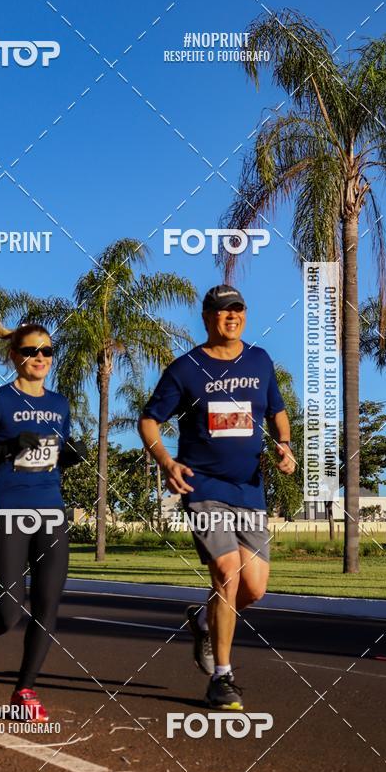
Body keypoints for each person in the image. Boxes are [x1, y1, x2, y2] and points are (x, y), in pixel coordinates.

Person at [138, 285, 295, 710]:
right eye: (223, 311)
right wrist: (168, 464)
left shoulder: (260, 360)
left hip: (249, 489)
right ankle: (222, 679)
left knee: (256, 588)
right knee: (227, 573)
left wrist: (285, 444)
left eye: (238, 309)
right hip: (203, 486)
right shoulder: (186, 368)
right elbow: (150, 420)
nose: (232, 316)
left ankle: (205, 620)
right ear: (207, 317)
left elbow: (276, 409)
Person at [0, 303, 86, 722]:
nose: (40, 358)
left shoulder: (60, 405)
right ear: (15, 355)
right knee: (9, 610)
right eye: (32, 351)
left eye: (47, 351)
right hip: (6, 513)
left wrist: (70, 455)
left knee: (47, 605)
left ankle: (25, 690)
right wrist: (9, 447)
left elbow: (55, 454)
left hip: (51, 513)